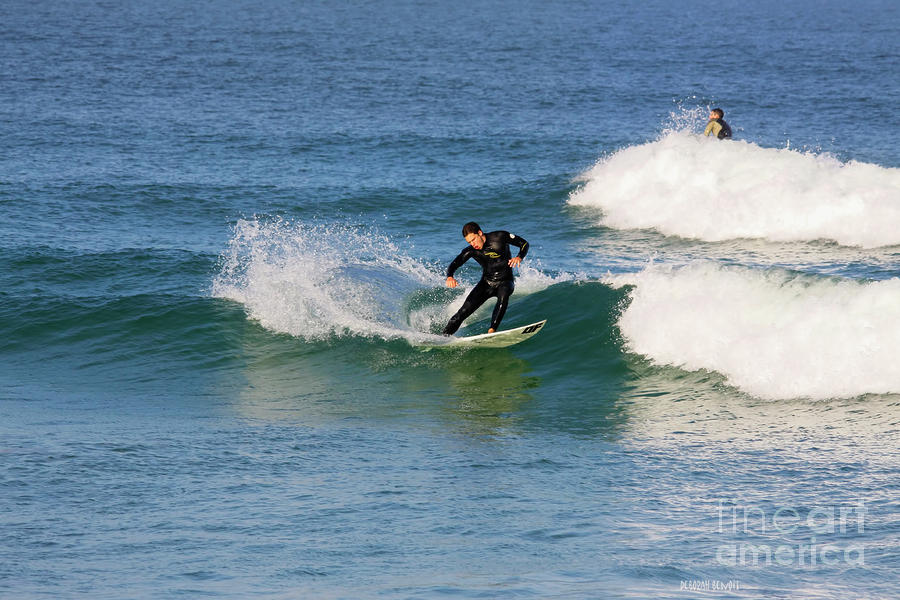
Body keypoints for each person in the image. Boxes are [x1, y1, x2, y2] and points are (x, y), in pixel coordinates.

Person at [442, 222, 529, 335]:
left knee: (503, 297)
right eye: (469, 242)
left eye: (473, 239)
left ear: (480, 233)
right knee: (462, 312)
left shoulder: (500, 237)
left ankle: (492, 331)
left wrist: (519, 257)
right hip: (486, 283)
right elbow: (454, 264)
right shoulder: (471, 251)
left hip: (505, 281)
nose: (473, 244)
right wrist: (450, 276)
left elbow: (524, 244)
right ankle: (443, 337)